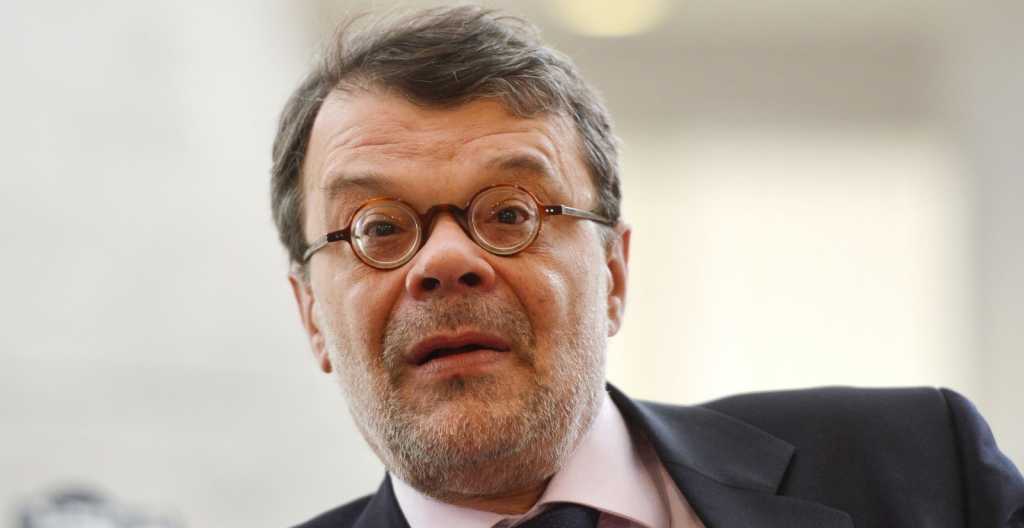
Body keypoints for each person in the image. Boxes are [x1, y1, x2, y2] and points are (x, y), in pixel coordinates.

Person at [270, 6, 1024, 528]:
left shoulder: (921, 466)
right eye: (378, 228)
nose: (445, 261)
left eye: (510, 214)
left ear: (614, 273)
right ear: (311, 317)